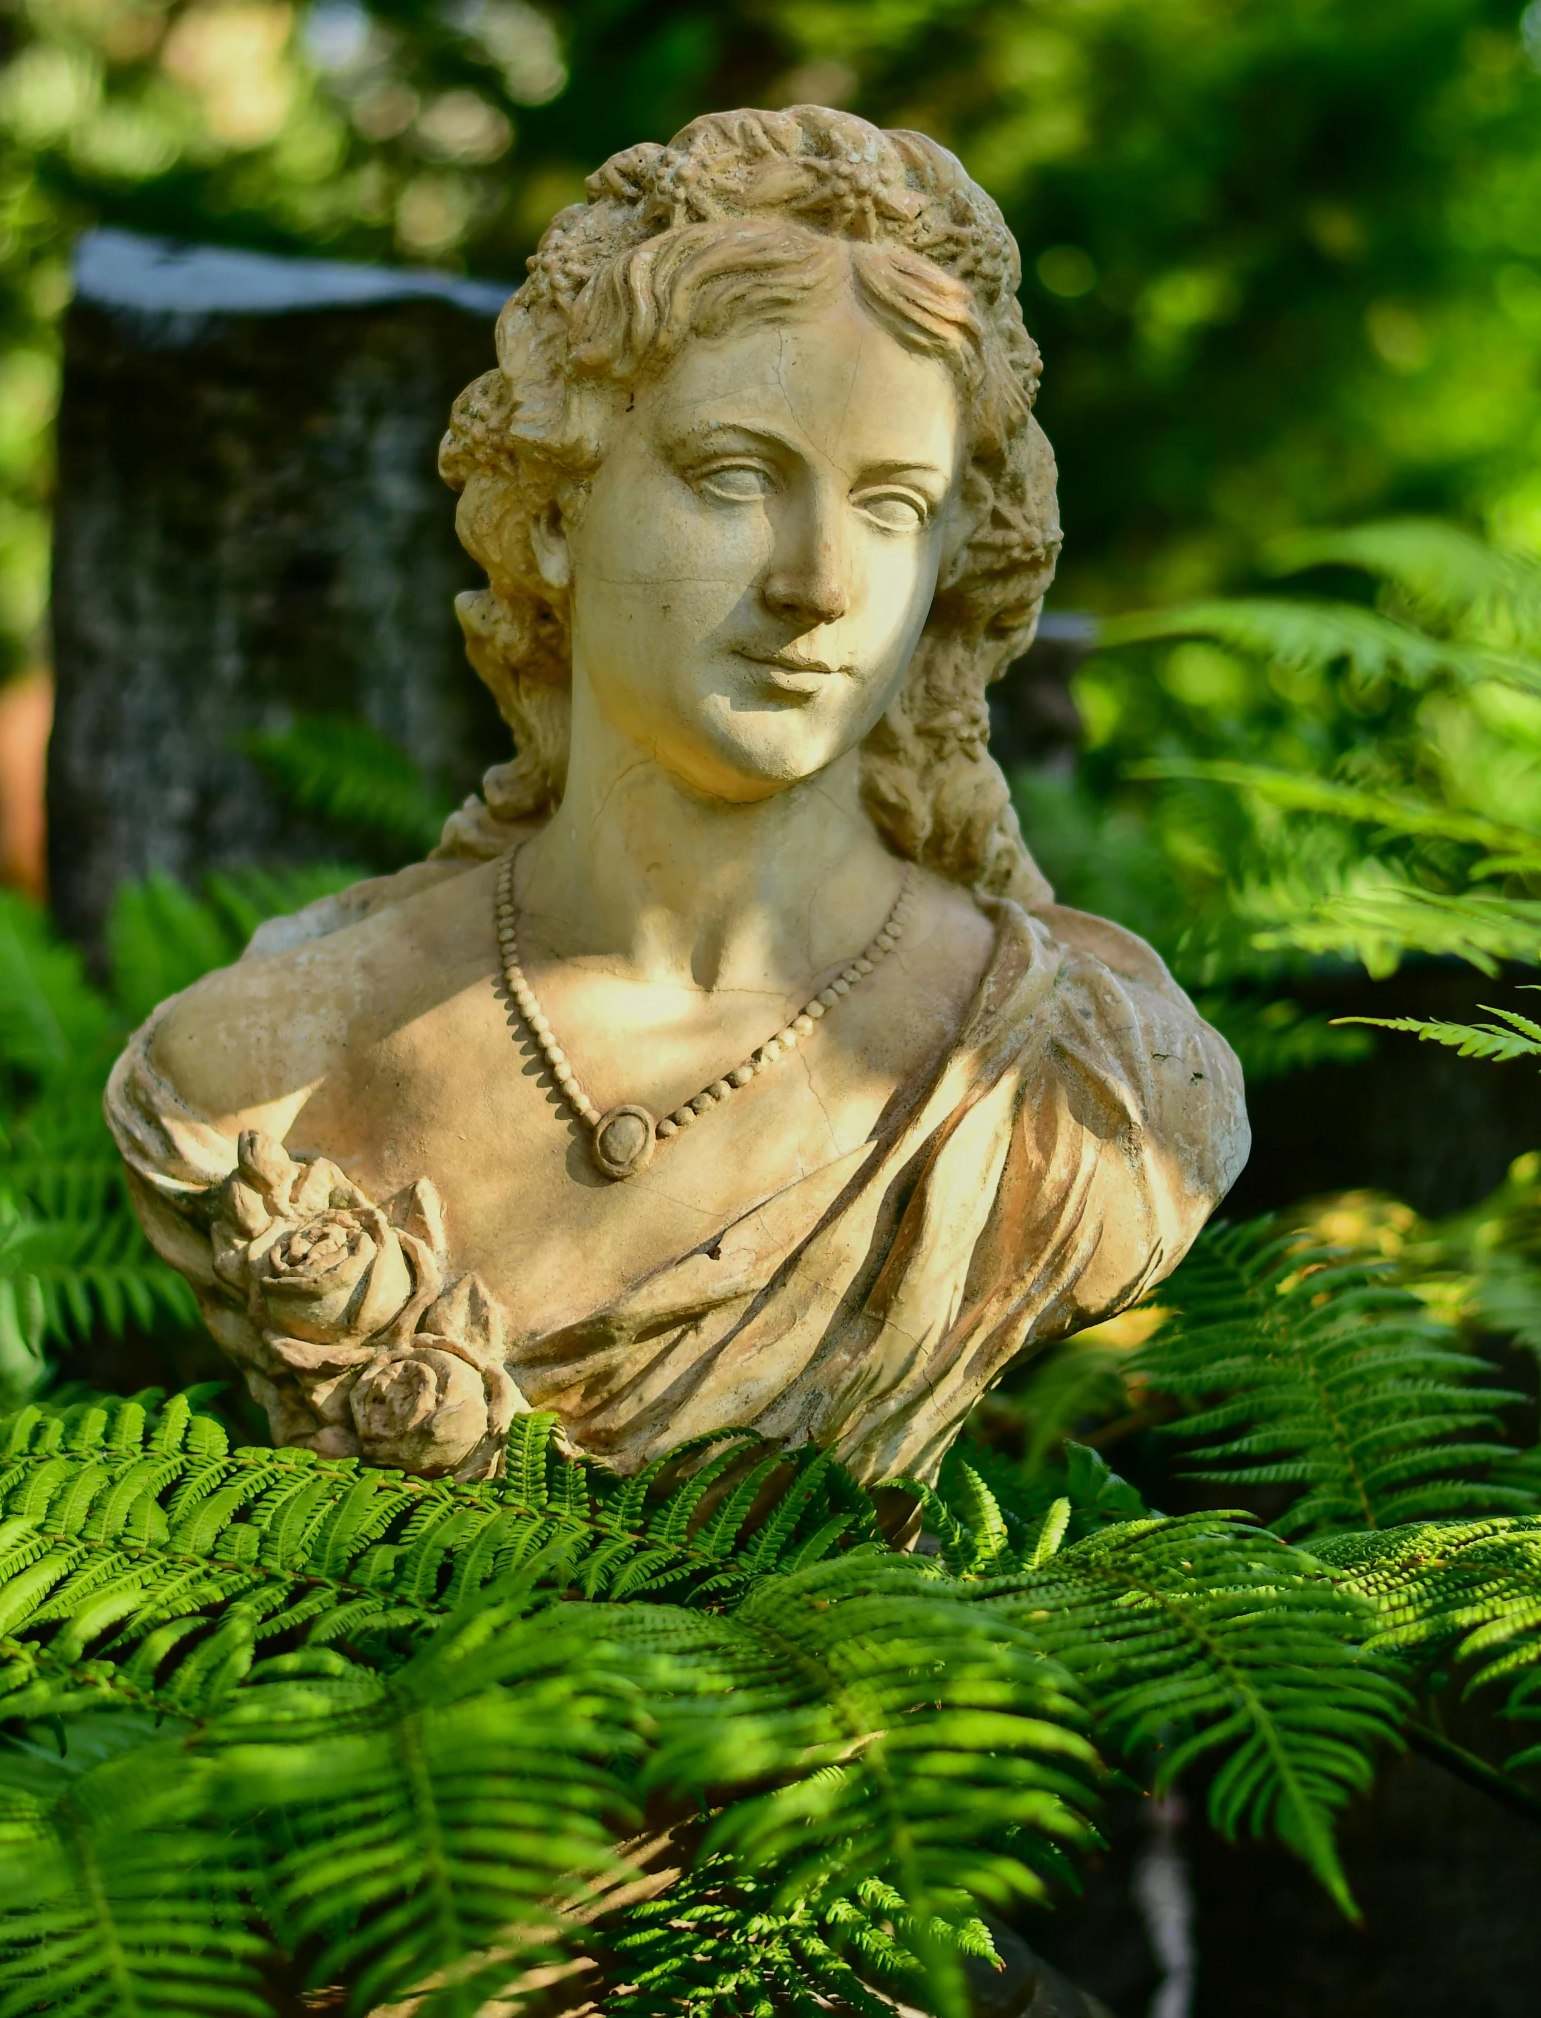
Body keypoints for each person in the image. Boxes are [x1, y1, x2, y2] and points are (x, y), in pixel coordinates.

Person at [106, 105, 1248, 1491]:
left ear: (953, 555)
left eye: (889, 506)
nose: (817, 582)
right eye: (732, 476)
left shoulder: (1086, 1087)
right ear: (552, 512)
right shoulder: (257, 1077)